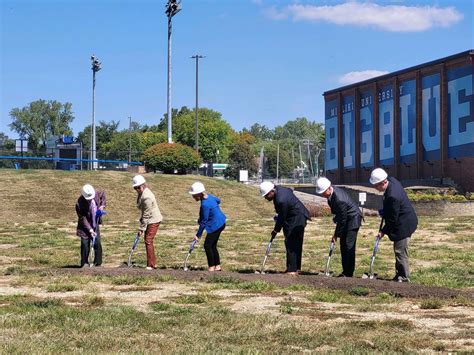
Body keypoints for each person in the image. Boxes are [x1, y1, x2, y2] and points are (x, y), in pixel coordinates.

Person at [369, 168, 418, 282]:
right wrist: (386, 210)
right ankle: (399, 275)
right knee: (398, 249)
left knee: (400, 251)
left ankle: (404, 278)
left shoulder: (393, 196)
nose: (375, 188)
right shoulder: (392, 180)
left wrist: (383, 231)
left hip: (404, 224)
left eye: (376, 185)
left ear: (383, 182)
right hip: (404, 218)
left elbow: (392, 219)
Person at [259, 181, 310, 275]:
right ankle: (295, 268)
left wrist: (275, 230)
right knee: (296, 242)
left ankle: (292, 270)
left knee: (291, 242)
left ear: (271, 191)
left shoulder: (281, 199)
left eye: (266, 195)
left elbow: (282, 217)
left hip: (296, 218)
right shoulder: (279, 189)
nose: (266, 198)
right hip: (298, 216)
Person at [315, 177, 362, 277]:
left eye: (323, 192)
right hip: (346, 219)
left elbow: (343, 219)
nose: (322, 194)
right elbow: (340, 215)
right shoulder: (332, 193)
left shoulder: (339, 199)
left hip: (353, 220)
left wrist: (336, 235)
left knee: (348, 246)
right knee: (343, 245)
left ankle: (348, 273)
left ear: (329, 188)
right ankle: (345, 271)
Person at [189, 182, 226, 272]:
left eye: (194, 195)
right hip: (222, 222)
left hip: (216, 225)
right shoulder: (209, 196)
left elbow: (204, 222)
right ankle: (217, 266)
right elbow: (218, 200)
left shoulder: (205, 205)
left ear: (199, 194)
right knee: (212, 245)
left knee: (207, 245)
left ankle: (211, 267)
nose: (193, 197)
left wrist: (198, 235)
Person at [133, 175, 163, 270]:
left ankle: (151, 265)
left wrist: (142, 228)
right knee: (148, 240)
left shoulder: (147, 197)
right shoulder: (142, 193)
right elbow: (140, 206)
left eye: (137, 188)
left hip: (153, 220)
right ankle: (151, 263)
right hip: (149, 219)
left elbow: (147, 214)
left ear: (142, 186)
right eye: (135, 188)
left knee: (148, 240)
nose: (136, 190)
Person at [76, 184, 106, 267]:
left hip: (95, 222)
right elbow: (83, 218)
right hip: (85, 226)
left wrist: (102, 206)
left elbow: (103, 195)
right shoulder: (79, 203)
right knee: (85, 243)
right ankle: (84, 263)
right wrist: (90, 229)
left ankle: (98, 263)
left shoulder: (97, 193)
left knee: (97, 242)